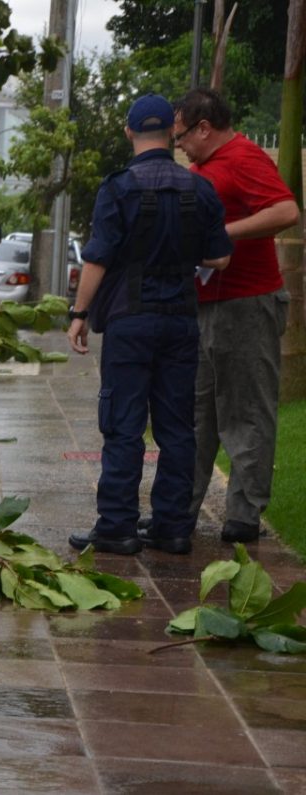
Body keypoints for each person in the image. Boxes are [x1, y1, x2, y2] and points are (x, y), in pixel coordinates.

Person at [67, 93, 232, 556]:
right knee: (178, 427)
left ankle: (117, 527)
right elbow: (220, 256)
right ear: (172, 136)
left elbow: (97, 258)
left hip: (129, 322)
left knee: (123, 424)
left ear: (129, 132)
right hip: (181, 321)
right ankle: (171, 528)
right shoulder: (199, 189)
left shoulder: (118, 188)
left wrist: (79, 314)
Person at [172, 88, 300, 544]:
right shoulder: (205, 166)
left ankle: (243, 517)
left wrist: (222, 234)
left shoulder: (245, 156)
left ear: (204, 127)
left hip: (247, 304)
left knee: (245, 410)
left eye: (182, 135)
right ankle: (180, 509)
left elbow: (286, 209)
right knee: (196, 410)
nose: (179, 145)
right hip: (205, 305)